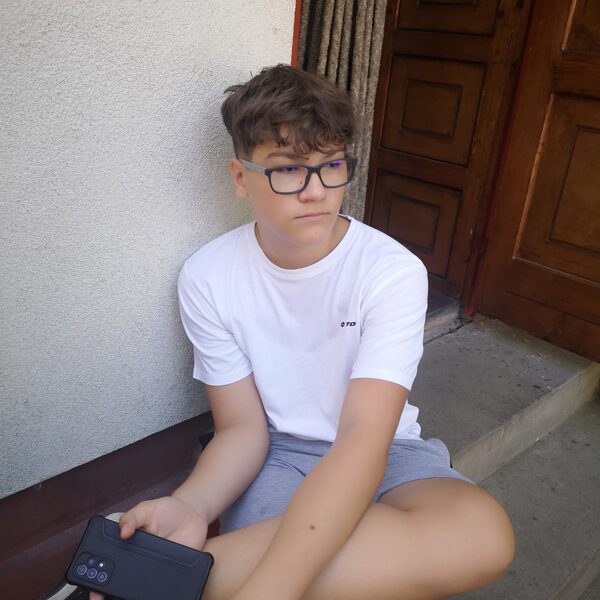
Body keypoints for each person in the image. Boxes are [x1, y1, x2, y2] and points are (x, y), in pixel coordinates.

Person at [91, 64, 515, 600]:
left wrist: (272, 587)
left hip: (383, 449)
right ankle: (172, 576)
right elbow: (242, 429)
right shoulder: (208, 276)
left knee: (480, 535)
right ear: (240, 177)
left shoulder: (390, 271)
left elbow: (365, 434)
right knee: (332, 570)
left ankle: (166, 579)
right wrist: (191, 505)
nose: (315, 192)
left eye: (331, 165)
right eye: (288, 170)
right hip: (276, 455)